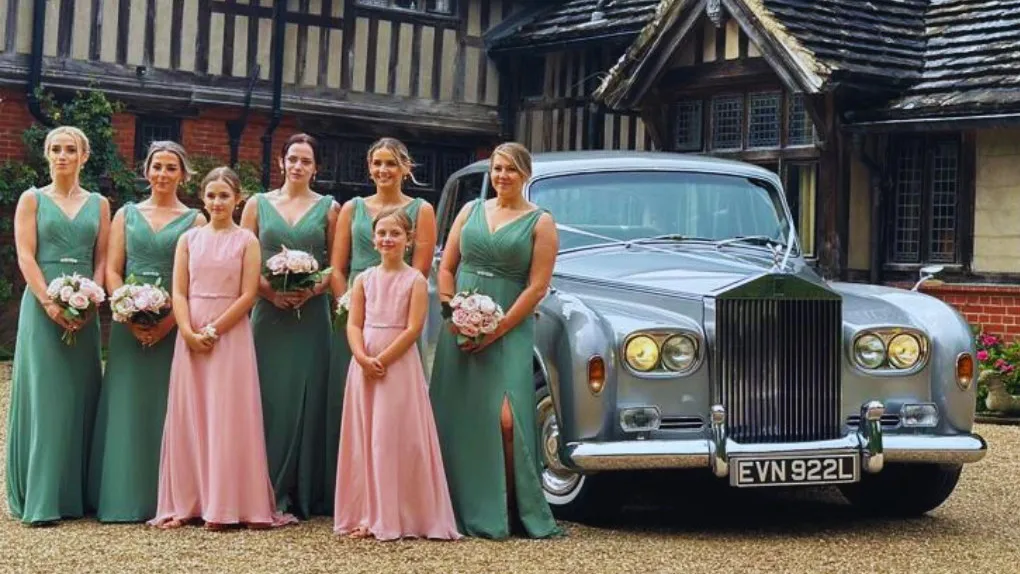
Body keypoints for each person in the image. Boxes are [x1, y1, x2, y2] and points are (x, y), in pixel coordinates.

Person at [429, 142, 561, 539]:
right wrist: (454, 315)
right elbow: (447, 268)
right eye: (497, 169)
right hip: (461, 327)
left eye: (511, 170)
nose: (502, 176)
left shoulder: (540, 222)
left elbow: (537, 287)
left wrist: (496, 329)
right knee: (458, 414)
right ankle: (453, 503)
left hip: (509, 327)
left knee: (508, 419)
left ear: (525, 175)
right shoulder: (470, 212)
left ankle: (510, 507)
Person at [150, 167, 295, 530]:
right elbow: (179, 290)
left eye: (224, 196)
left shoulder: (247, 240)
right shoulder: (189, 240)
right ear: (203, 197)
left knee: (228, 415)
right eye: (211, 196)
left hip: (229, 334)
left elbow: (248, 294)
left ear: (237, 199)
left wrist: (214, 329)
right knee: (192, 413)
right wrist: (186, 329)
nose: (217, 202)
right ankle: (189, 501)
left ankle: (228, 503)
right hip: (191, 331)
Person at [88, 141, 204, 523]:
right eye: (157, 166)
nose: (163, 174)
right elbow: (113, 269)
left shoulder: (196, 221)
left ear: (183, 175)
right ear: (146, 171)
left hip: (174, 317)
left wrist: (170, 319)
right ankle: (118, 495)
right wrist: (125, 308)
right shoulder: (127, 214)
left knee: (169, 404)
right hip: (128, 321)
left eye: (172, 168)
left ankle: (169, 497)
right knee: (126, 402)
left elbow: (194, 279)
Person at [322, 137, 436, 514]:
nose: (383, 170)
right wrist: (348, 306)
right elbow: (338, 266)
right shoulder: (353, 209)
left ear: (406, 167)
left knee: (395, 416)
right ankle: (355, 500)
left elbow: (418, 270)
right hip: (357, 315)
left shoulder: (421, 210)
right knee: (356, 409)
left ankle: (398, 501)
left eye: (391, 163)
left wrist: (396, 309)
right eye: (377, 163)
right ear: (369, 168)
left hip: (398, 314)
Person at [333, 207, 460, 541]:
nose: (387, 239)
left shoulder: (415, 280)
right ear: (373, 239)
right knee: (365, 437)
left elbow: (413, 327)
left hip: (397, 365)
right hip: (364, 365)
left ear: (408, 240)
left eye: (395, 234)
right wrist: (361, 356)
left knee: (391, 437)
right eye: (382, 233)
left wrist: (383, 359)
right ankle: (366, 513)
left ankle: (398, 513)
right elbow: (354, 322)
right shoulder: (363, 279)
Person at [6, 126, 110, 525]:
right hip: (43, 306)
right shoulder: (32, 199)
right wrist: (49, 302)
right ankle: (42, 498)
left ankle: (75, 494)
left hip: (85, 309)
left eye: (70, 149)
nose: (62, 156)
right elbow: (26, 256)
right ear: (46, 155)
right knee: (46, 396)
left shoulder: (99, 203)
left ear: (84, 156)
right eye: (55, 149)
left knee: (79, 394)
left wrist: (94, 297)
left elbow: (101, 257)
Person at [241, 133, 338, 518]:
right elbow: (242, 258)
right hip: (268, 313)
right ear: (281, 162)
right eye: (292, 158)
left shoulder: (330, 209)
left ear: (316, 168)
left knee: (310, 396)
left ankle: (306, 490)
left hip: (311, 317)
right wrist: (269, 293)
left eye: (306, 161)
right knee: (266, 396)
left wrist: (311, 291)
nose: (298, 166)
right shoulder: (257, 205)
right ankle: (261, 486)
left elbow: (336, 264)